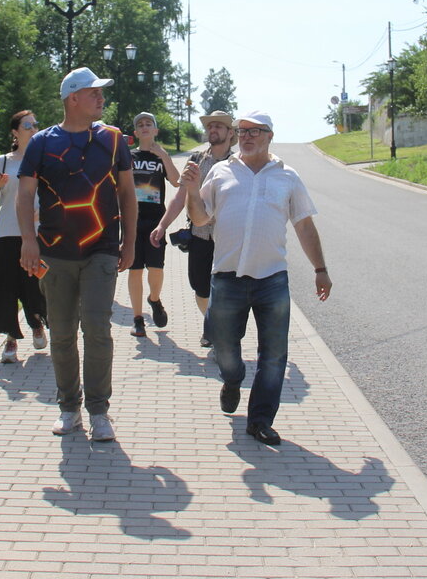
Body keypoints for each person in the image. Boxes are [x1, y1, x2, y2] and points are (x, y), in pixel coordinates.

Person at [182, 110, 333, 446]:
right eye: (242, 131)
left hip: (271, 279)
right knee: (224, 349)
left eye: (255, 131)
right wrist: (192, 191)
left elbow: (304, 226)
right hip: (227, 277)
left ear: (269, 136)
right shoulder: (221, 172)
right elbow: (201, 217)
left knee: (275, 355)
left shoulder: (287, 176)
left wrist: (320, 269)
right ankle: (232, 380)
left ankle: (260, 421)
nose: (247, 136)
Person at [17, 67, 137, 442]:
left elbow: (127, 194)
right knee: (63, 333)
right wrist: (28, 241)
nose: (101, 98)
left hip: (101, 249)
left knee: (98, 328)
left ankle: (99, 411)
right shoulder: (41, 143)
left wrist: (130, 243)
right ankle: (69, 408)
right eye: (93, 92)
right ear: (73, 98)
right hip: (54, 252)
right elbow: (24, 196)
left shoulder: (114, 140)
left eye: (102, 93)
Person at [150, 110, 236, 347]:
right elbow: (179, 198)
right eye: (210, 126)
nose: (213, 130)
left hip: (228, 239)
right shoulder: (196, 161)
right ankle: (212, 321)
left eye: (219, 126)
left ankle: (216, 330)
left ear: (230, 133)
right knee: (199, 286)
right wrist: (162, 224)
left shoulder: (238, 165)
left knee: (227, 288)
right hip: (200, 235)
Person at [0, 110, 46, 364]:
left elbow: (55, 194)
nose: (33, 128)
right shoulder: (3, 161)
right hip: (7, 231)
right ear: (15, 132)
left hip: (36, 233)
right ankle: (10, 339)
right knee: (5, 288)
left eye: (35, 124)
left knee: (34, 286)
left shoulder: (43, 159)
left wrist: (43, 212)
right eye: (27, 125)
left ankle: (37, 322)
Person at [127, 112, 180, 337]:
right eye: (140, 125)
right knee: (135, 270)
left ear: (156, 131)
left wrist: (165, 156)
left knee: (156, 269)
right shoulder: (128, 156)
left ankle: (154, 299)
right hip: (132, 221)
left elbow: (177, 181)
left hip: (156, 222)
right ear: (136, 133)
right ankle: (138, 319)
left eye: (149, 124)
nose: (145, 126)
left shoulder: (161, 157)